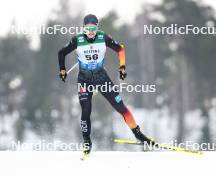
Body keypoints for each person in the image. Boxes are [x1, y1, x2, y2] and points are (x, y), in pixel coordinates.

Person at [58, 14, 154, 155]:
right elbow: (61, 52)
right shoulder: (77, 40)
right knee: (86, 109)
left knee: (121, 107)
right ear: (83, 28)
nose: (91, 32)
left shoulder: (103, 37)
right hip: (84, 79)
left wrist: (122, 67)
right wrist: (62, 70)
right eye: (88, 28)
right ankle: (86, 142)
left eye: (94, 28)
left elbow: (120, 49)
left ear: (97, 28)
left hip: (101, 78)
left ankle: (139, 135)